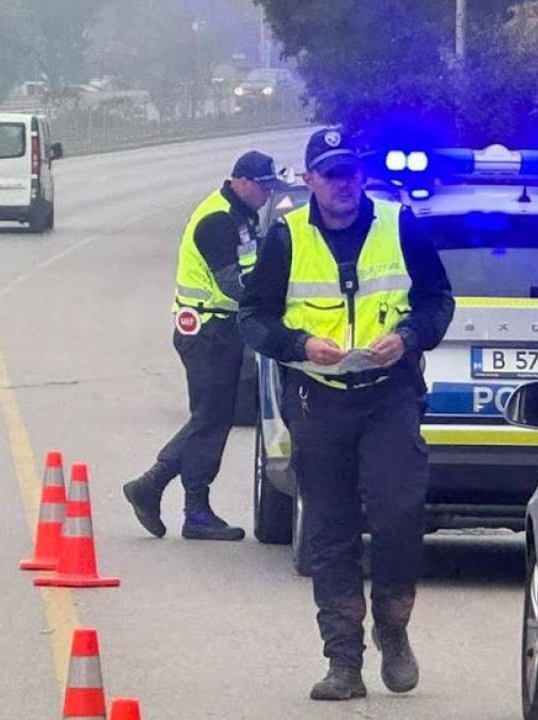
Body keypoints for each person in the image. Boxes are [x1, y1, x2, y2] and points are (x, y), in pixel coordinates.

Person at [239, 128, 455, 700]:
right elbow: (253, 318)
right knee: (330, 530)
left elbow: (438, 302)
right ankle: (343, 661)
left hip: (389, 394)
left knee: (398, 512)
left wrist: (407, 337)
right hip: (318, 399)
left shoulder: (398, 225)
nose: (344, 185)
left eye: (351, 173)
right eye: (332, 175)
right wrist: (300, 345)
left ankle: (393, 624)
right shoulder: (286, 237)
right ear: (309, 179)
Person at [123, 151, 287, 542]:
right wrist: (273, 302)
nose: (268, 194)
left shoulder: (243, 215)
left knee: (212, 417)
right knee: (210, 418)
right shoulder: (217, 220)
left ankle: (154, 488)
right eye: (263, 187)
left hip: (221, 329)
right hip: (206, 330)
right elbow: (231, 285)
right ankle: (190, 508)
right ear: (242, 182)